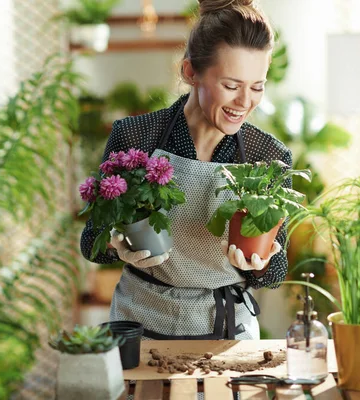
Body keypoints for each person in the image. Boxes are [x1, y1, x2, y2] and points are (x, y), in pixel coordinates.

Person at [80, 0, 292, 340]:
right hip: (139, 324)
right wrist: (117, 246)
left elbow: (277, 270)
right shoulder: (137, 137)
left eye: (257, 87)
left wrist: (260, 264)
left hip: (225, 330)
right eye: (231, 85)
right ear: (190, 71)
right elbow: (91, 241)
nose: (244, 102)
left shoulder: (267, 155)